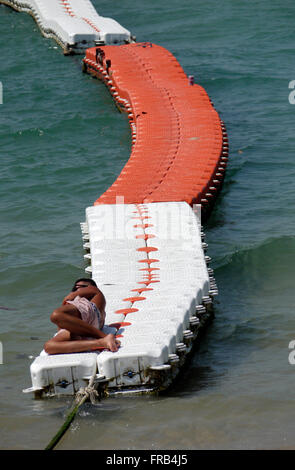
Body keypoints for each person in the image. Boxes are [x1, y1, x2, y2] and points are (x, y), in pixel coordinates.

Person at [44, 278, 120, 354]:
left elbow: (68, 299)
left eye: (82, 286)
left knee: (56, 315)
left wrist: (71, 296)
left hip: (88, 312)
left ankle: (103, 336)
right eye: (75, 288)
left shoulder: (95, 292)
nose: (77, 288)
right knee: (49, 347)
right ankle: (101, 342)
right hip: (85, 326)